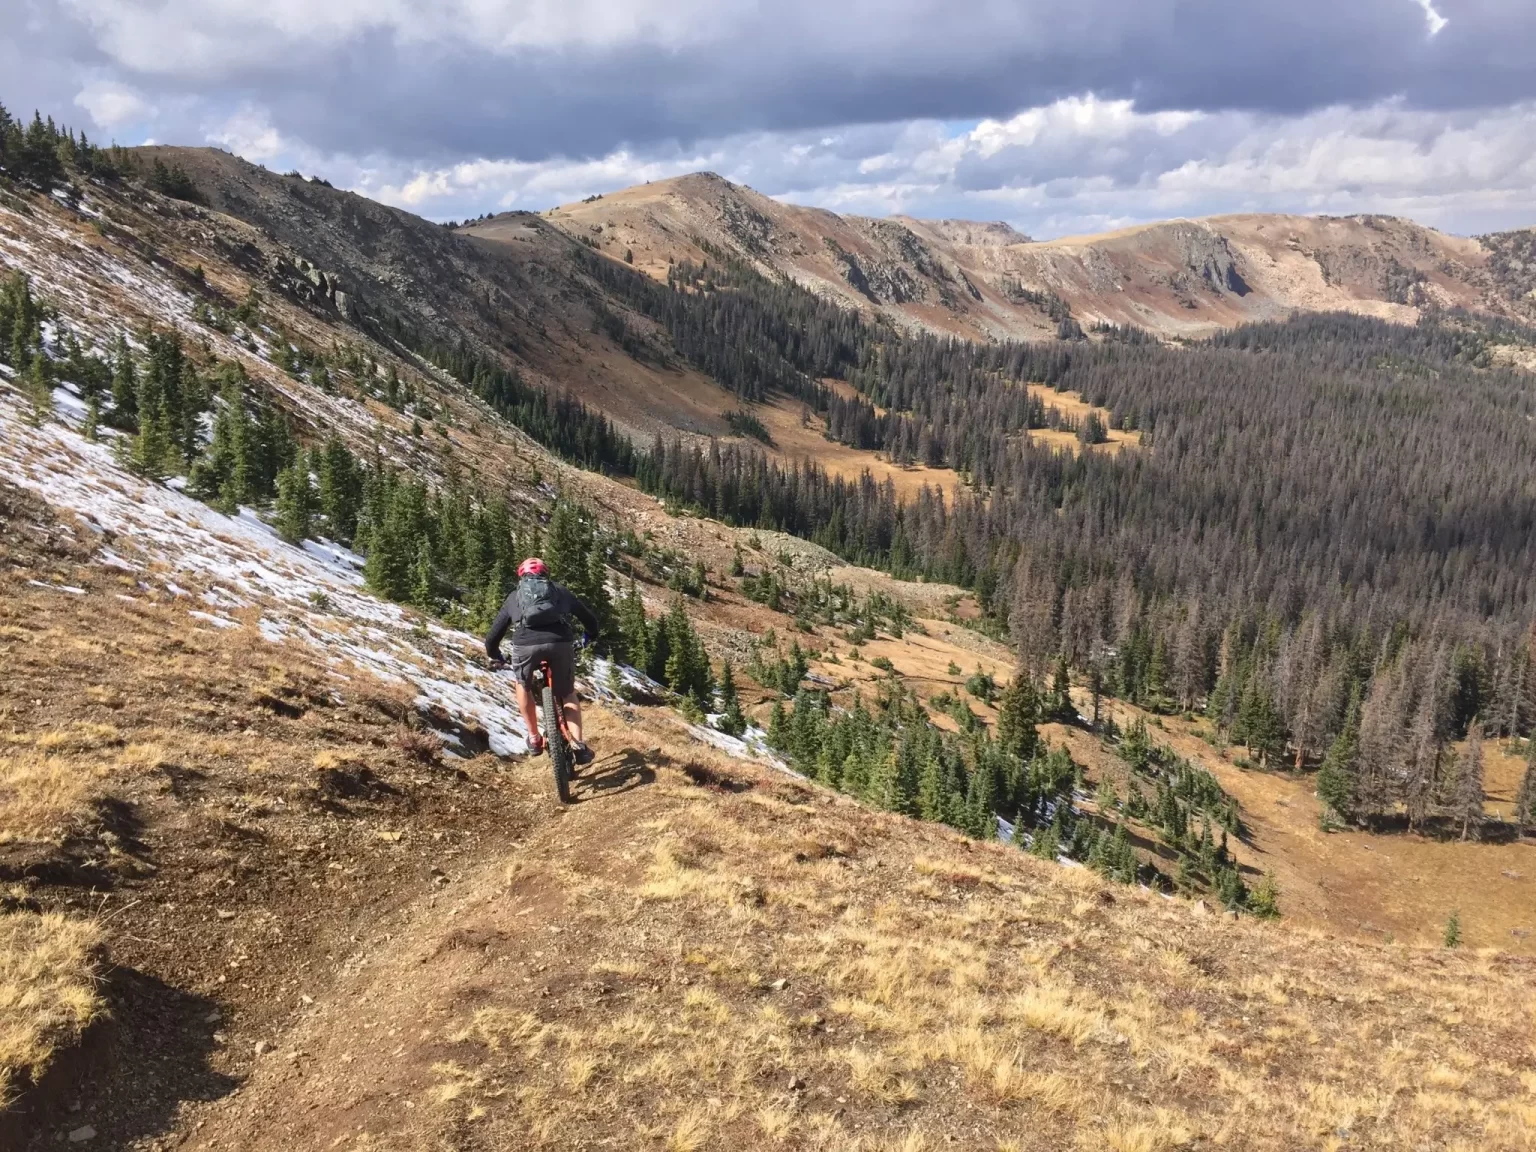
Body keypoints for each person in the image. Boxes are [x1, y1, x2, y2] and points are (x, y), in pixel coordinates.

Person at [485, 557, 599, 765]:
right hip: (560, 643)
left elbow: (493, 636)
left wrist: (496, 654)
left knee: (522, 685)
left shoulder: (514, 596)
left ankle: (534, 739)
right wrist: (589, 636)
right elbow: (589, 619)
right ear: (546, 574)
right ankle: (579, 746)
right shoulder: (559, 591)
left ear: (521, 577)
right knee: (567, 693)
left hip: (525, 646)